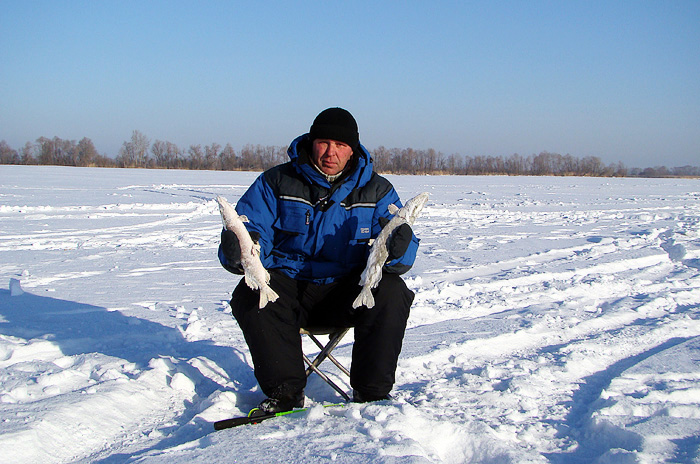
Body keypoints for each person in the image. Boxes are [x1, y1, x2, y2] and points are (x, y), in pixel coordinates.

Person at [218, 107, 419, 414]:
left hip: (348, 290)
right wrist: (240, 250)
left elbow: (397, 247)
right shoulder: (276, 182)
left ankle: (372, 394)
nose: (331, 152)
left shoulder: (378, 190)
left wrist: (399, 248)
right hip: (289, 286)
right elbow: (251, 227)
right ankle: (285, 393)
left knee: (392, 290)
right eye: (324, 142)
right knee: (249, 293)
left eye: (340, 145)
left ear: (353, 148)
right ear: (311, 142)